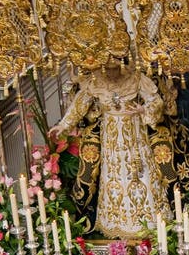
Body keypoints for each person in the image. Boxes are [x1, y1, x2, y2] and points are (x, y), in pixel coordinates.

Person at [48, 60, 171, 238]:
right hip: (111, 140)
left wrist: (143, 109)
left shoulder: (135, 78)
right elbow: (80, 103)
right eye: (108, 69)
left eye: (115, 69)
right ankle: (115, 221)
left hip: (134, 136)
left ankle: (148, 220)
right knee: (113, 174)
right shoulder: (97, 81)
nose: (112, 74)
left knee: (139, 173)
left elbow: (155, 101)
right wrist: (64, 125)